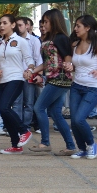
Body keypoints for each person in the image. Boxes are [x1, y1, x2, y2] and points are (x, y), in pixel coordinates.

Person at [27, 9, 77, 155]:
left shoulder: (61, 38)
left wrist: (68, 67)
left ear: (54, 21)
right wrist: (33, 71)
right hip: (53, 78)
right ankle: (70, 146)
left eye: (46, 21)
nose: (43, 24)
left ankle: (45, 142)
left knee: (39, 107)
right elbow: (47, 62)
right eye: (42, 22)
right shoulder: (48, 38)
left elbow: (67, 57)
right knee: (55, 113)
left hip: (60, 79)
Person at [66, 15, 97, 159]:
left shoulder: (96, 44)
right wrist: (70, 66)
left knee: (79, 119)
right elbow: (76, 66)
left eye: (78, 26)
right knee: (74, 120)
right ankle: (82, 148)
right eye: (75, 26)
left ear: (87, 28)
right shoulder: (75, 44)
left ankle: (92, 144)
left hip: (92, 87)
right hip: (77, 86)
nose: (75, 29)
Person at [0, 14, 34, 154]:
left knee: (4, 108)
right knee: (3, 112)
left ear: (12, 25)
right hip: (0, 81)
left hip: (16, 78)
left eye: (5, 23)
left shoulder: (21, 41)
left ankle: (24, 131)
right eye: (0, 23)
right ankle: (15, 145)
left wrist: (29, 70)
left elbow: (30, 60)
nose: (2, 26)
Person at [13, 16, 42, 130]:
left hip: (29, 74)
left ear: (27, 26)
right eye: (17, 25)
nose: (18, 28)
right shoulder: (13, 40)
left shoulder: (34, 40)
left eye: (20, 25)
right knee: (16, 103)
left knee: (29, 103)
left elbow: (38, 59)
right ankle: (17, 126)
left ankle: (25, 126)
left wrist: (36, 73)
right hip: (16, 75)